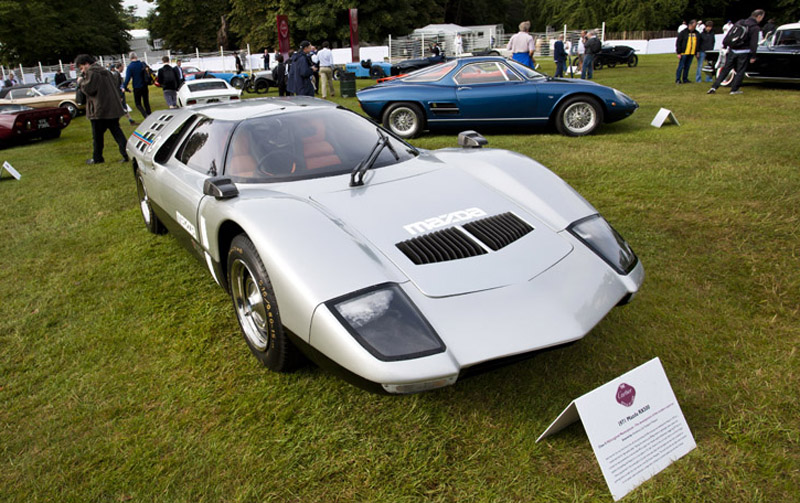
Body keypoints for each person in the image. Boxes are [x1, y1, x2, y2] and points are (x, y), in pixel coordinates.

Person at [75, 54, 128, 165]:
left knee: (98, 136)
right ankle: (126, 154)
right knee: (117, 133)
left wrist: (80, 82)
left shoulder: (92, 73)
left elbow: (89, 89)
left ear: (86, 64)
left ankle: (97, 158)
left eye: (81, 67)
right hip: (112, 108)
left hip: (100, 110)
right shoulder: (105, 71)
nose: (82, 70)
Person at [708, 9, 766, 95]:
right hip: (744, 51)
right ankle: (734, 89)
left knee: (726, 69)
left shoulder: (741, 22)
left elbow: (730, 34)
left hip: (733, 49)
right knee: (740, 71)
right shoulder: (754, 27)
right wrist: (753, 55)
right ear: (759, 16)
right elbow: (754, 42)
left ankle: (714, 87)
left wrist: (725, 44)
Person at [123, 52, 151, 118]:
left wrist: (124, 87)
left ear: (130, 58)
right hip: (144, 85)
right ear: (136, 57)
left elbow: (127, 78)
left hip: (137, 86)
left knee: (138, 103)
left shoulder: (130, 67)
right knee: (146, 101)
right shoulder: (141, 64)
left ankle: (145, 115)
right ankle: (149, 114)